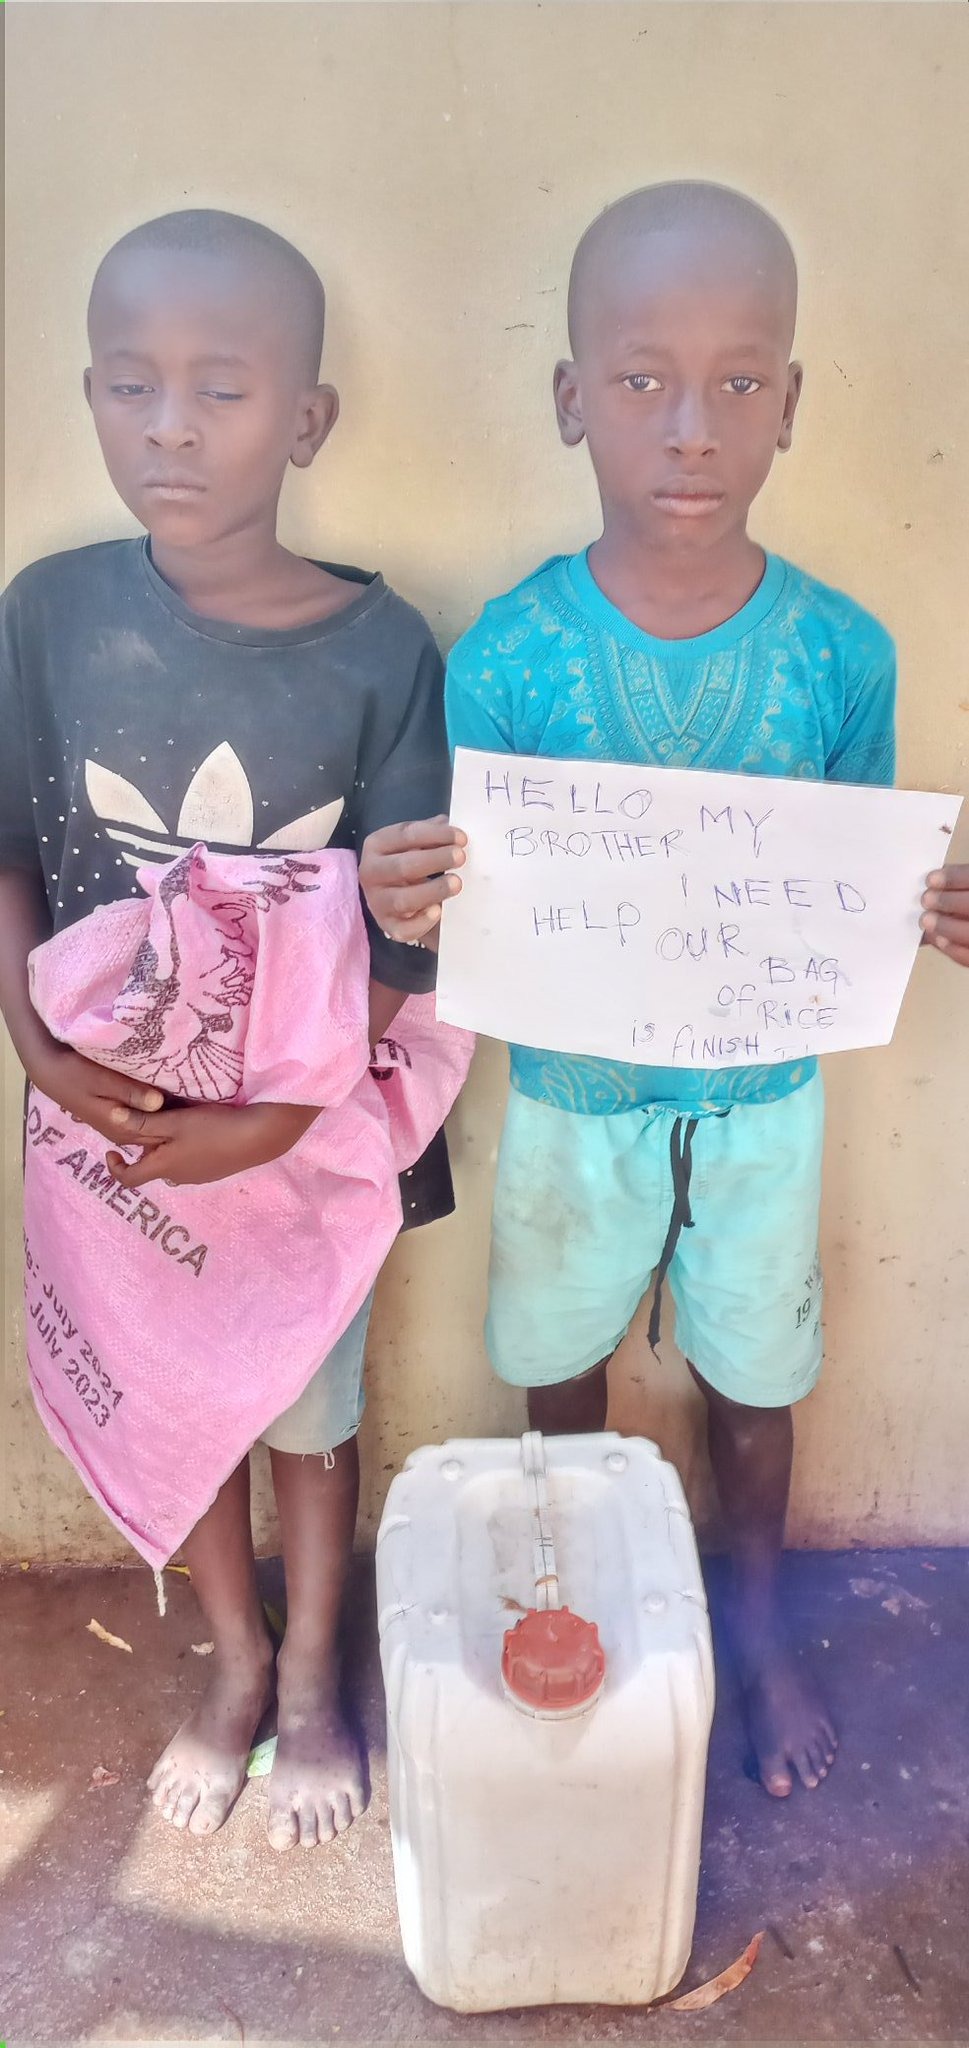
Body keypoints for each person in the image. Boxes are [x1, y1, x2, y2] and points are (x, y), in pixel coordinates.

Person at [359, 180, 969, 1799]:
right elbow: (465, 902)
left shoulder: (840, 654)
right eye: (641, 380)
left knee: (754, 1383)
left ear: (789, 403)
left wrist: (925, 909)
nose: (690, 426)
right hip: (574, 1102)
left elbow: (848, 893)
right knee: (559, 1371)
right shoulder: (506, 656)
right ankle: (577, 1602)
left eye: (737, 381)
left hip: (761, 1104)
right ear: (572, 398)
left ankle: (754, 1641)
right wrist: (408, 891)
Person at [0, 209, 455, 1846]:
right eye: (131, 386)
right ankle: (237, 1663)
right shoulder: (49, 613)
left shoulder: (387, 654)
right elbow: (9, 845)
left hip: (303, 1135)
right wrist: (39, 1052)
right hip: (104, 1126)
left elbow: (410, 931)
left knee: (310, 1412)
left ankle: (317, 1671)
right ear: (88, 398)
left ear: (306, 419)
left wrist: (270, 1124)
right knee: (164, 1389)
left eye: (222, 389)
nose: (172, 427)